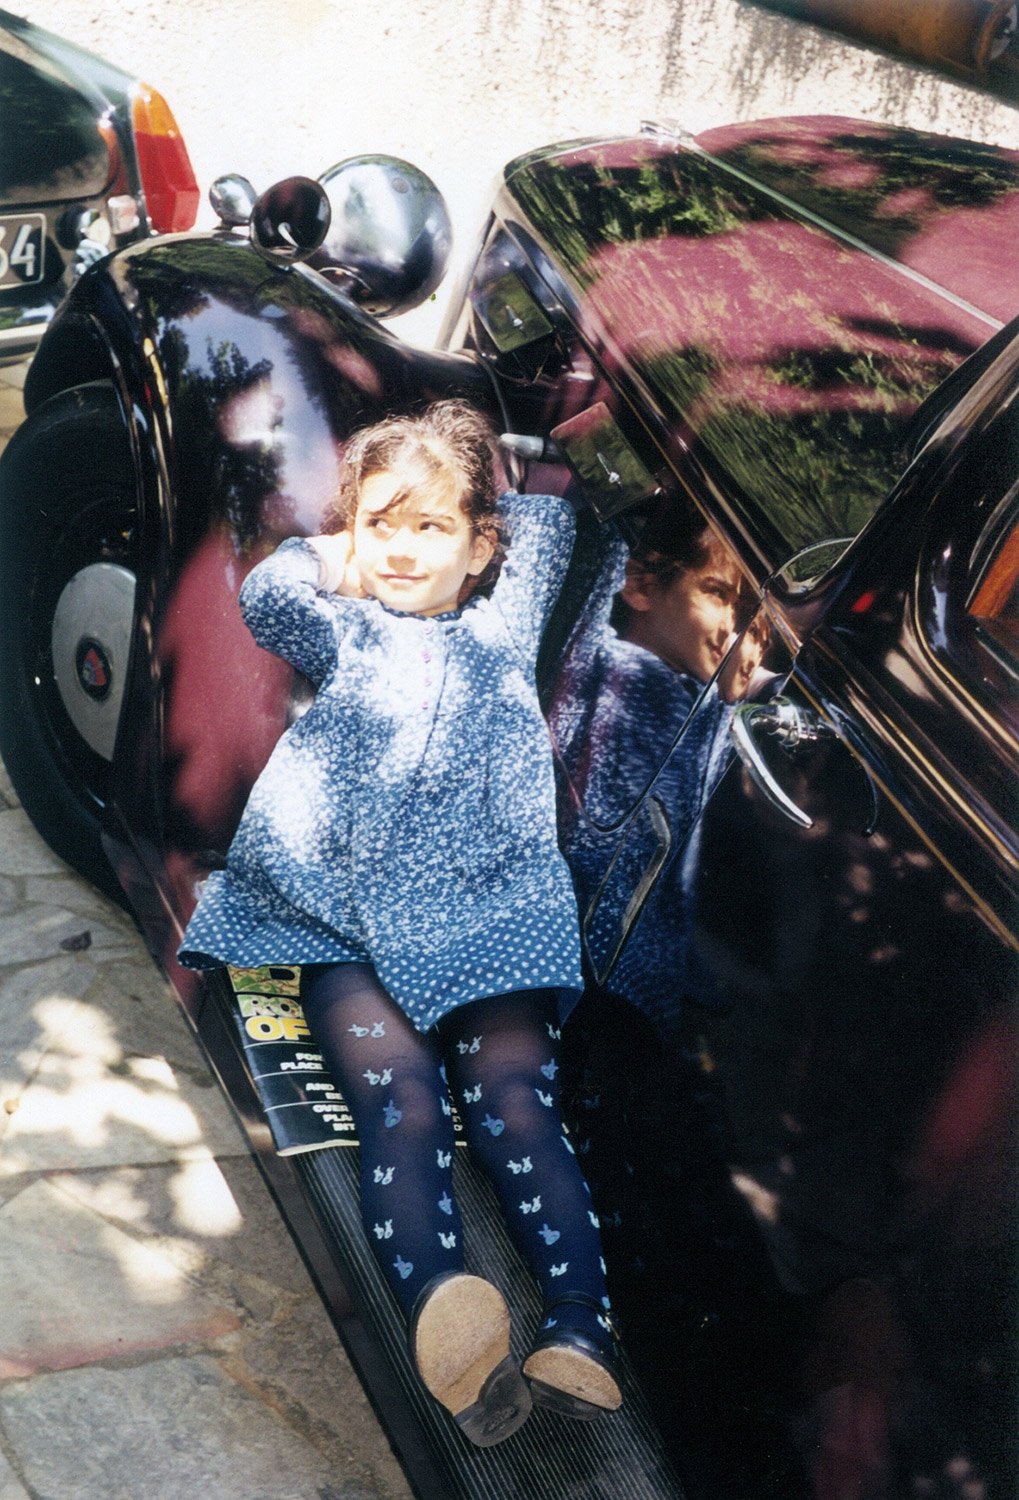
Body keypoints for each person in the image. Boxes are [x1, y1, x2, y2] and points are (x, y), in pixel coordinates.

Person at [177, 401, 620, 1447]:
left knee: (515, 1101)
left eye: (432, 527)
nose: (405, 547)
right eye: (383, 524)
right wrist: (340, 551)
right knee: (400, 1102)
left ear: (479, 548)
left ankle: (579, 1331)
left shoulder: (503, 626)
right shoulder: (340, 625)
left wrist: (516, 444)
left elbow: (550, 523)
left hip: (493, 917)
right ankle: (444, 1308)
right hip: (347, 919)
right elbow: (270, 592)